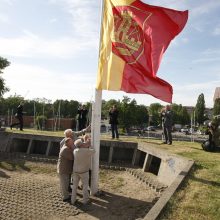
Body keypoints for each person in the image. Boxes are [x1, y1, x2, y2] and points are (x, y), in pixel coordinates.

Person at [71, 138, 95, 205]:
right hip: (84, 171)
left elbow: (82, 148)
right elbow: (94, 151)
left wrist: (84, 144)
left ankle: (73, 200)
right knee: (85, 186)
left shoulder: (75, 150)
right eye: (82, 143)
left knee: (74, 186)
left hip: (75, 171)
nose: (84, 143)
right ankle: (85, 201)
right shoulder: (86, 151)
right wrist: (90, 144)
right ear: (81, 145)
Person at [57, 137, 74, 202]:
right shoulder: (66, 149)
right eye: (71, 142)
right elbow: (71, 158)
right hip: (64, 169)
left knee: (65, 183)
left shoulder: (66, 148)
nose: (72, 143)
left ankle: (65, 195)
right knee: (64, 184)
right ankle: (65, 197)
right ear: (67, 143)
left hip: (64, 169)